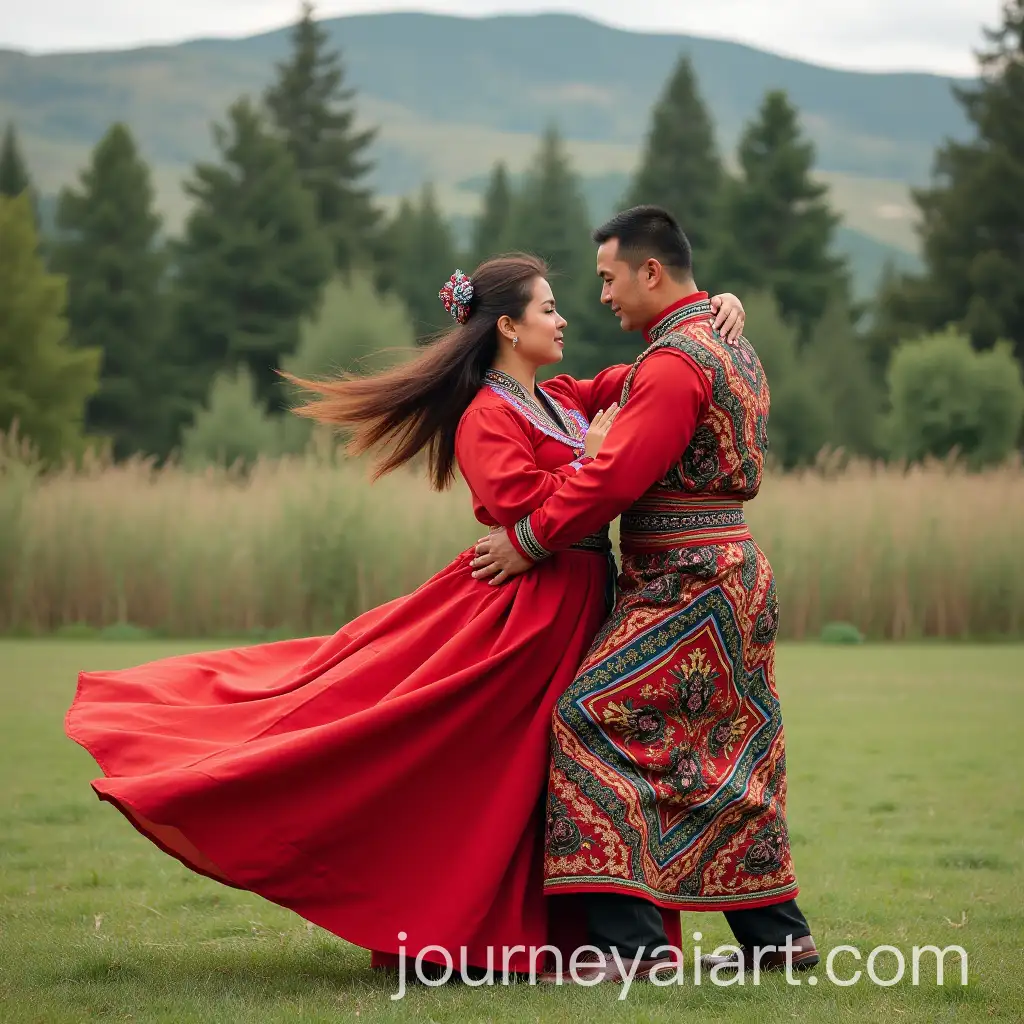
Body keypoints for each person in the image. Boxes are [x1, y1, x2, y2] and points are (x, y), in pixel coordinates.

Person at [65, 253, 746, 979]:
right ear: (510, 327)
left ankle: (580, 936)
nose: (565, 317)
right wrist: (596, 462)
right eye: (549, 308)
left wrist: (710, 312)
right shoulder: (488, 414)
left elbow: (650, 376)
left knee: (563, 768)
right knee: (483, 760)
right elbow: (516, 503)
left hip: (580, 598)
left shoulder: (562, 399)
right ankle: (466, 927)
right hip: (528, 609)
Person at [471, 207, 818, 982]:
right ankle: (779, 938)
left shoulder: (674, 363)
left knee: (589, 720)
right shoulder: (724, 344)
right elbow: (590, 401)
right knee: (724, 756)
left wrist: (525, 542)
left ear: (649, 272)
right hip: (731, 576)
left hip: (687, 582)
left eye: (606, 278)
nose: (600, 297)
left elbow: (611, 479)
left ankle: (631, 950)